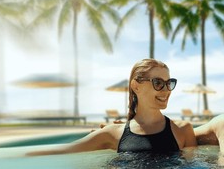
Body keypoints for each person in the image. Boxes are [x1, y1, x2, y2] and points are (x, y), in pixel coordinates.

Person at [26, 58, 196, 156]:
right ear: (136, 86)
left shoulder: (182, 130)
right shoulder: (114, 133)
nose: (166, 90)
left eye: (169, 83)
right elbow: (65, 150)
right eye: (158, 83)